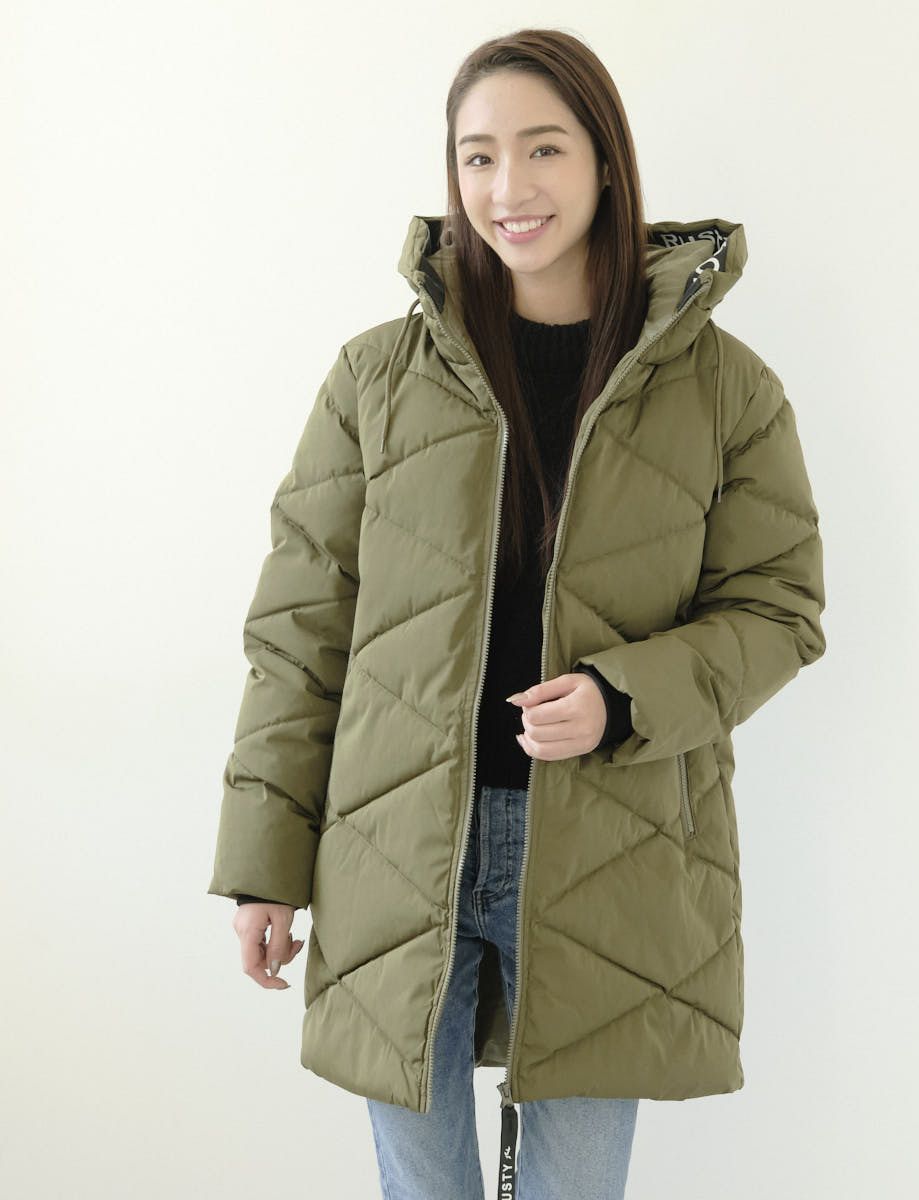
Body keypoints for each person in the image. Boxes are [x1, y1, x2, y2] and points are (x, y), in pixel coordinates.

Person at [207, 26, 827, 1200]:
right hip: (396, 849)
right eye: (478, 157)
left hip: (612, 843)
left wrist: (620, 697)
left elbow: (778, 606)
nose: (509, 188)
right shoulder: (376, 380)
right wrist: (263, 866)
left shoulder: (724, 389)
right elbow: (298, 633)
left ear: (604, 162)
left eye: (543, 149)